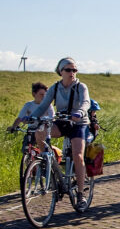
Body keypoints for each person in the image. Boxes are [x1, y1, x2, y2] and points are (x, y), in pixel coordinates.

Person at [30, 58, 92, 206]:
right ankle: (46, 160)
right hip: (62, 121)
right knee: (40, 132)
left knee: (78, 155)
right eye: (69, 70)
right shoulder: (55, 88)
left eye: (74, 70)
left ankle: (80, 194)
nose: (72, 73)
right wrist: (32, 117)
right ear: (60, 71)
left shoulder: (81, 87)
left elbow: (86, 102)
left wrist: (80, 113)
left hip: (78, 123)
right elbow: (43, 105)